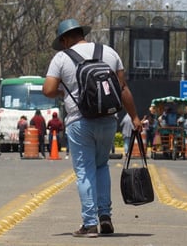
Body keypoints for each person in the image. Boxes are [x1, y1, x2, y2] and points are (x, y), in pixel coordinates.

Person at [43, 18, 141, 237]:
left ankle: (89, 224)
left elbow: (48, 89)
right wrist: (134, 117)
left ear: (65, 38)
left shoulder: (61, 57)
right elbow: (122, 88)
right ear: (82, 33)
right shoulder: (108, 52)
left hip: (79, 121)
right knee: (101, 166)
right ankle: (105, 216)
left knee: (84, 172)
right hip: (108, 120)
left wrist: (63, 92)